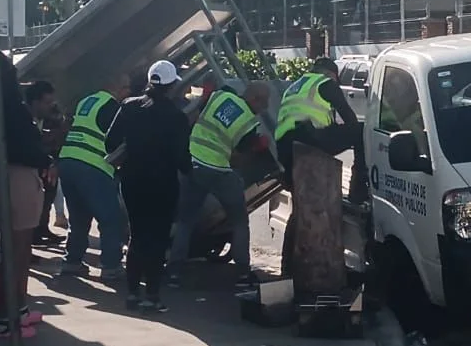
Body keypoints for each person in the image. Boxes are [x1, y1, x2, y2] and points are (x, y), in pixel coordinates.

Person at [168, 80, 271, 290]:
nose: (266, 108)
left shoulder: (221, 95)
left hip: (193, 164)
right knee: (240, 221)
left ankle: (174, 272)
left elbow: (200, 109)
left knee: (185, 221)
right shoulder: (249, 124)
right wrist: (258, 146)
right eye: (264, 102)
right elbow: (237, 159)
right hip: (219, 171)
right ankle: (243, 273)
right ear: (254, 98)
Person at [105, 60, 191, 312]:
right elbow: (181, 158)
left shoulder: (129, 107)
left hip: (132, 181)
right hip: (163, 185)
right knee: (158, 239)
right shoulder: (176, 116)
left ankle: (132, 294)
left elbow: (111, 142)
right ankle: (152, 295)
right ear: (172, 84)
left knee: (137, 236)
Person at [0, 53, 52, 338]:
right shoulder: (12, 106)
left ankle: (18, 310)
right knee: (18, 251)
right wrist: (46, 160)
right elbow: (24, 147)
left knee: (12, 249)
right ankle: (7, 319)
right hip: (18, 179)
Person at [58, 72, 131, 281]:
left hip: (69, 161)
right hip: (92, 165)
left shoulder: (87, 101)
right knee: (110, 218)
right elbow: (118, 140)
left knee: (79, 217)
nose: (128, 92)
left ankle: (72, 262)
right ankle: (111, 266)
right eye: (125, 87)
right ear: (115, 87)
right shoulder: (112, 107)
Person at [275, 56, 369, 200]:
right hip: (309, 139)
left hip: (284, 147)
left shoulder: (294, 87)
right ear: (332, 74)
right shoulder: (326, 83)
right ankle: (358, 189)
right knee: (360, 130)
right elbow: (350, 119)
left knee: (302, 203)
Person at [25, 79, 68, 248]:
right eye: (47, 102)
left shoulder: (48, 115)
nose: (51, 105)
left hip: (46, 160)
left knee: (49, 194)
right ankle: (31, 238)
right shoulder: (23, 117)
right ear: (36, 102)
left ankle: (42, 229)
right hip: (31, 165)